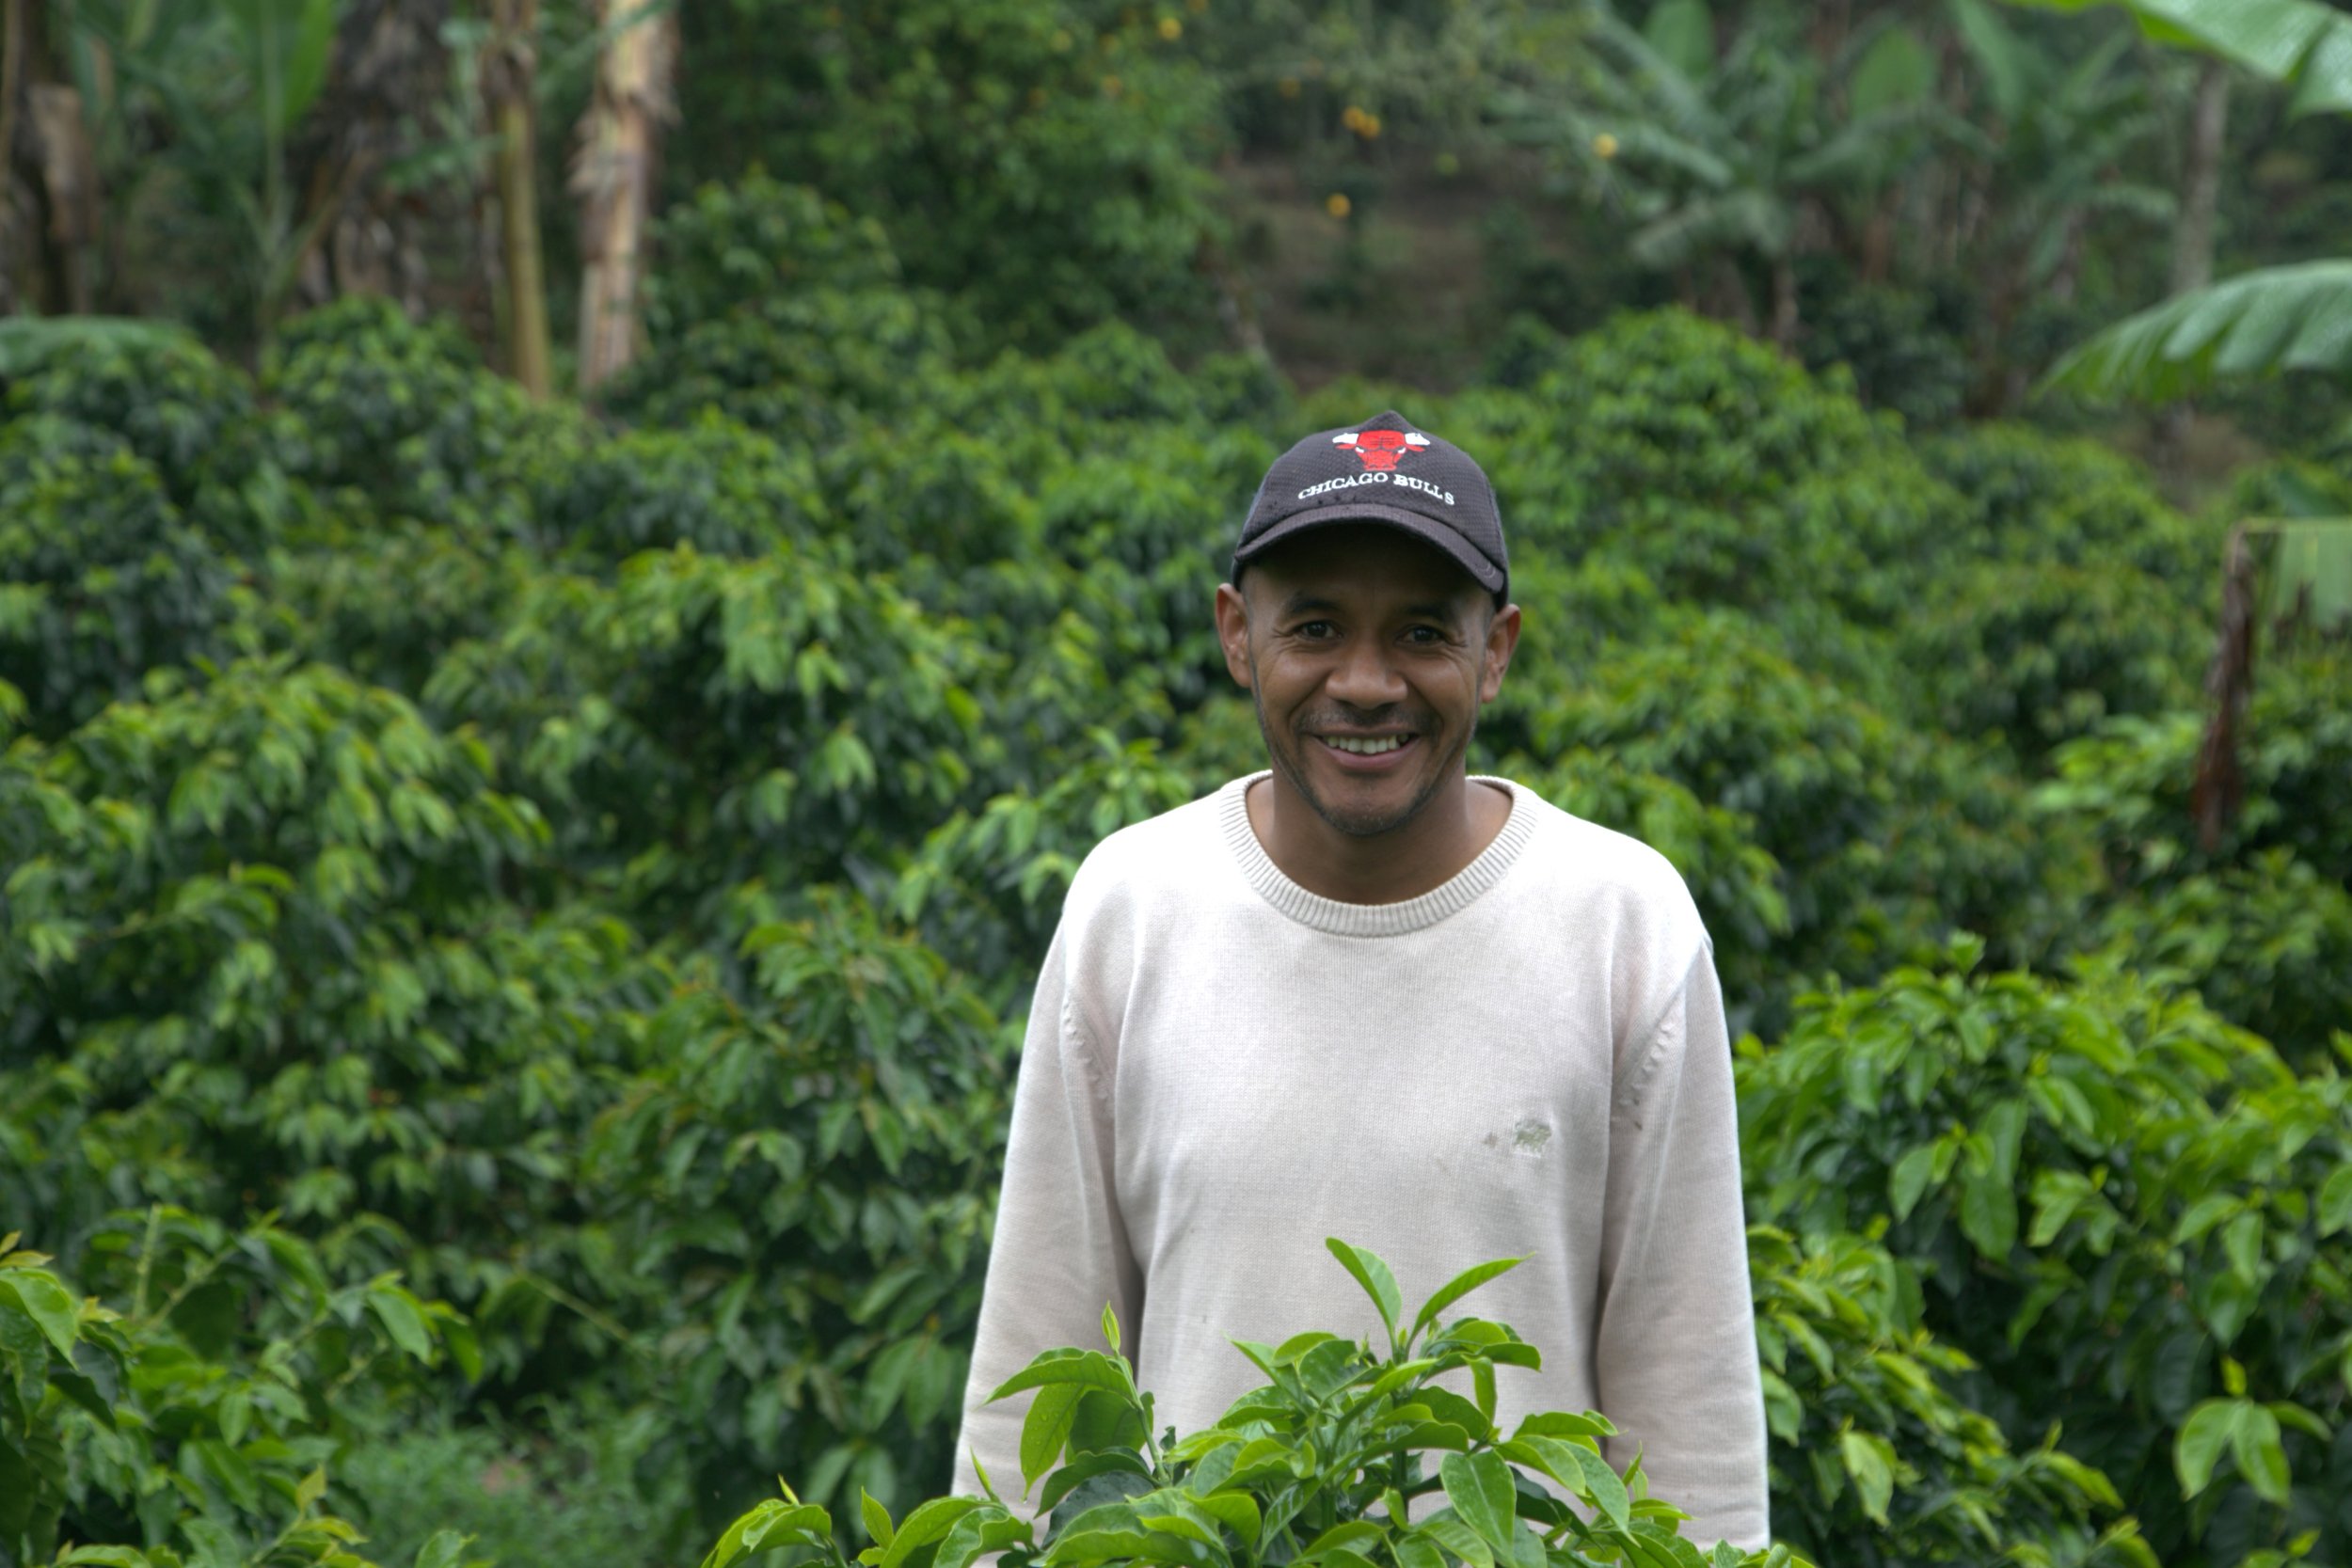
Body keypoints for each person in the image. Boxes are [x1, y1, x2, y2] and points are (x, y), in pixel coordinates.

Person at [951, 410, 1769, 1547]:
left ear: (1497, 648)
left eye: (1424, 631)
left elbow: (1690, 1403)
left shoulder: (1621, 923)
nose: (1367, 682)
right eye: (1317, 626)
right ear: (1240, 635)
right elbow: (1039, 1368)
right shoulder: (1131, 908)